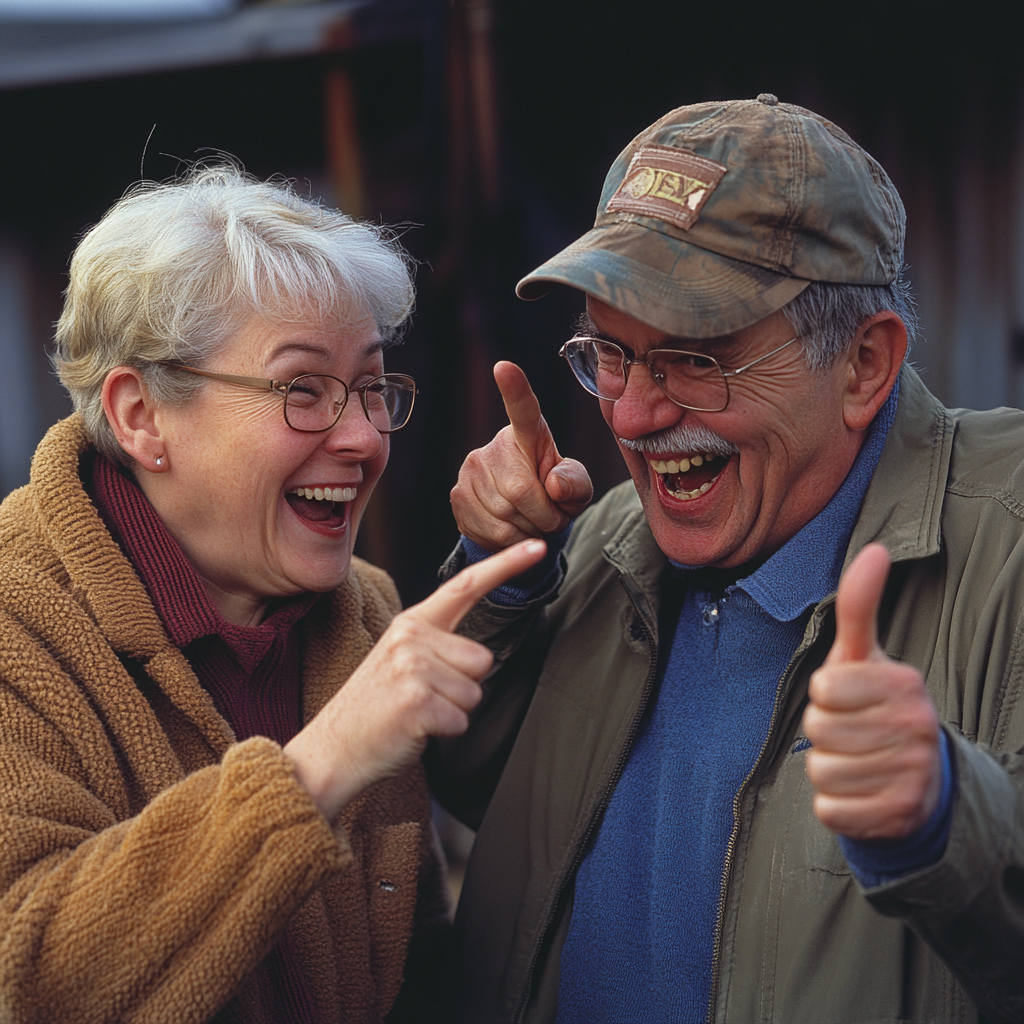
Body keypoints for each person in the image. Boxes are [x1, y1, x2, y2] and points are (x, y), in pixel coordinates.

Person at [430, 96, 1024, 1023]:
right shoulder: (605, 538)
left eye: (695, 361)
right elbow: (480, 788)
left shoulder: (1011, 538)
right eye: (611, 356)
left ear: (865, 363)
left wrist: (944, 819)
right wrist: (502, 575)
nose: (629, 416)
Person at [0, 165, 544, 1024]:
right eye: (302, 391)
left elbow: (419, 967)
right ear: (142, 416)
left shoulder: (364, 609)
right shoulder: (16, 624)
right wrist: (321, 765)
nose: (364, 438)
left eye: (370, 387)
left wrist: (519, 561)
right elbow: (25, 980)